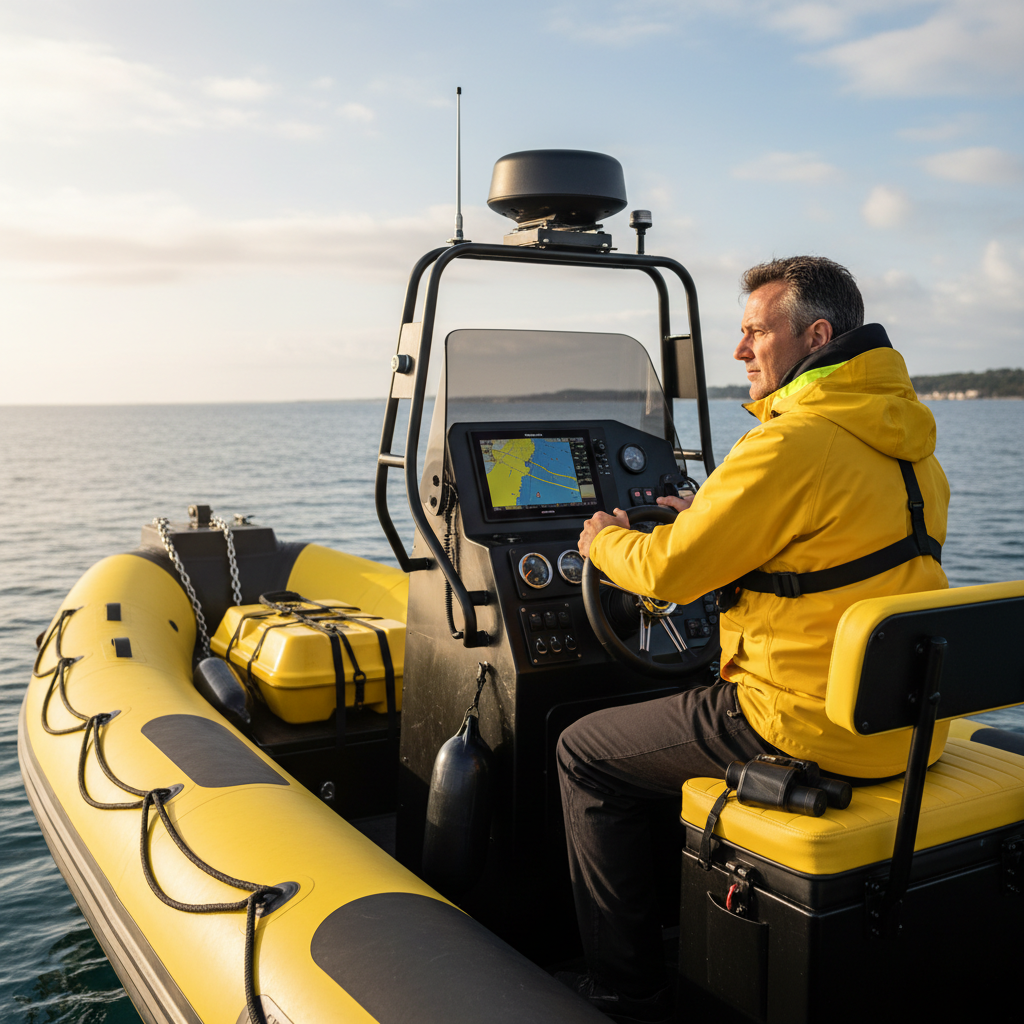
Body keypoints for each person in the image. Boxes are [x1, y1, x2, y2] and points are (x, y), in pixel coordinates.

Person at [556, 256, 949, 1023]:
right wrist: (709, 511)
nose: (740, 352)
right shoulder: (910, 446)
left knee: (582, 753)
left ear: (816, 335)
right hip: (900, 725)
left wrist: (603, 539)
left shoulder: (789, 442)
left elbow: (667, 573)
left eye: (755, 332)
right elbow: (833, 555)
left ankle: (624, 989)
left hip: (798, 720)